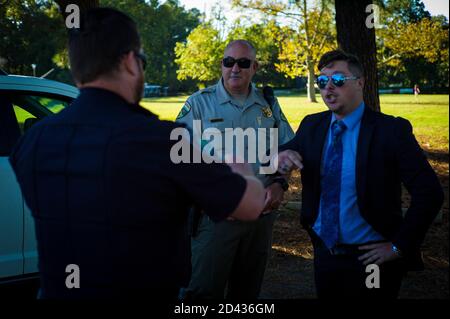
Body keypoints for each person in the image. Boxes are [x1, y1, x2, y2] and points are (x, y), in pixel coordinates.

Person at [9, 8, 266, 299]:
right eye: (142, 61)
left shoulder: (30, 142)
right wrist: (239, 165)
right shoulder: (162, 141)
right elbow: (249, 204)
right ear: (131, 62)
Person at [277, 50, 443, 299]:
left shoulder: (391, 130)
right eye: (322, 82)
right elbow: (284, 152)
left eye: (339, 80)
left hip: (372, 260)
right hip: (325, 253)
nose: (328, 88)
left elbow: (430, 193)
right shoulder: (313, 125)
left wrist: (400, 245)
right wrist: (279, 158)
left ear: (360, 83)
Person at [176, 40, 294, 299]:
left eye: (243, 63)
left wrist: (279, 184)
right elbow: (179, 158)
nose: (235, 68)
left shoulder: (269, 105)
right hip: (216, 219)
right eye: (229, 62)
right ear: (222, 64)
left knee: (247, 292)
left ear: (255, 66)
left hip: (260, 218)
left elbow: (285, 149)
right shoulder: (198, 104)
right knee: (203, 293)